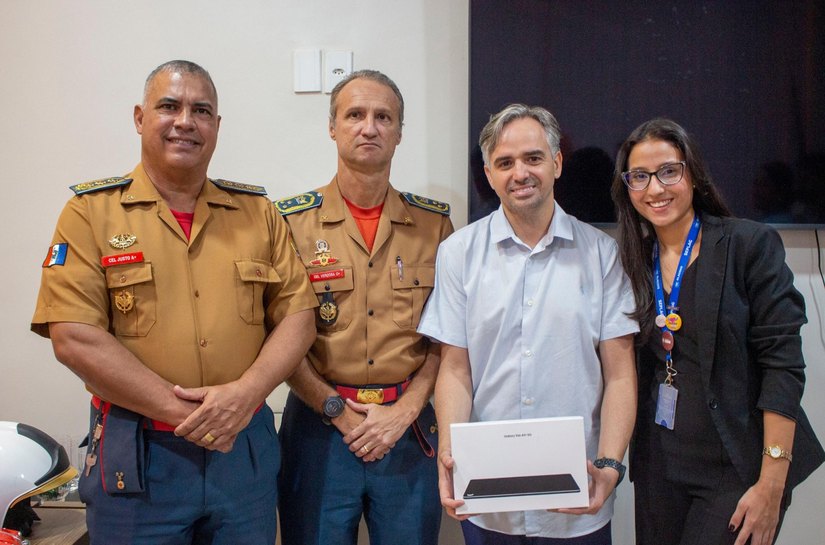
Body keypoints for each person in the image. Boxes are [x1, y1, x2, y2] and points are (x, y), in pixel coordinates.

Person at [31, 60, 318, 544]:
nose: (185, 121)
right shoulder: (90, 214)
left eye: (201, 111)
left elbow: (299, 317)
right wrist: (193, 417)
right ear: (139, 118)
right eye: (169, 106)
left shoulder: (258, 214)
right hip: (140, 453)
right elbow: (74, 336)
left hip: (242, 450)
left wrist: (244, 396)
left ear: (217, 126)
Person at [418, 103, 638, 544]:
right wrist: (449, 455)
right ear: (489, 174)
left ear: (557, 163)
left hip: (577, 502)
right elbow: (456, 369)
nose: (520, 173)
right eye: (505, 163)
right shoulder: (459, 253)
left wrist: (611, 465)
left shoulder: (602, 253)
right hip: (488, 502)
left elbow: (619, 374)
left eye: (533, 158)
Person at [611, 118, 825, 545]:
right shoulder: (632, 259)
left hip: (738, 469)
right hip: (660, 470)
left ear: (693, 174)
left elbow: (783, 367)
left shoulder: (748, 245)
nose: (655, 188)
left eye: (668, 171)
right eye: (640, 176)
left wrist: (772, 483)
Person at [275, 69, 454, 545]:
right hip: (319, 430)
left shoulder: (434, 226)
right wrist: (335, 409)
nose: (369, 127)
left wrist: (407, 409)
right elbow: (276, 339)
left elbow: (448, 337)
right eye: (355, 115)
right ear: (332, 127)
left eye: (383, 117)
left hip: (407, 431)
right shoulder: (289, 223)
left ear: (399, 133)